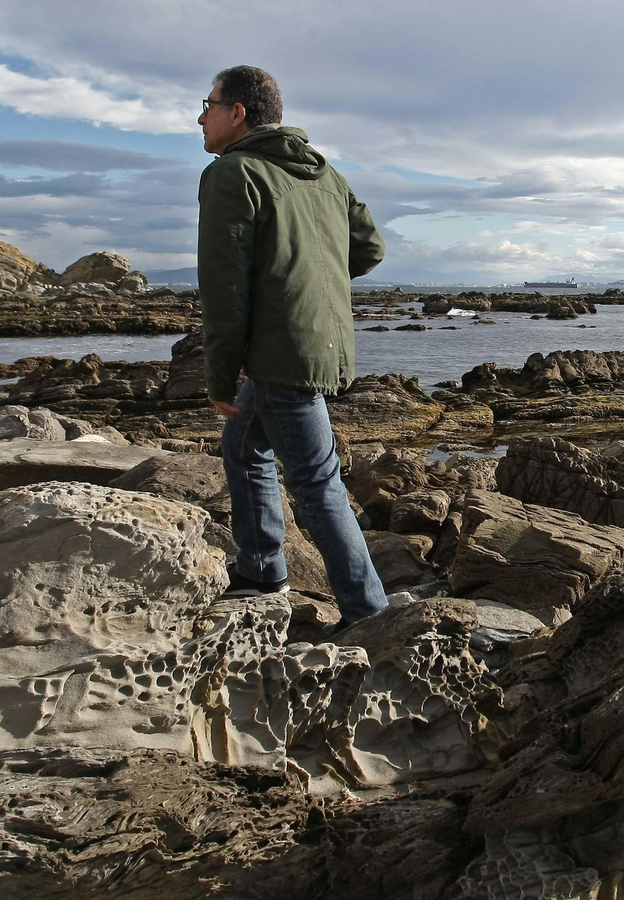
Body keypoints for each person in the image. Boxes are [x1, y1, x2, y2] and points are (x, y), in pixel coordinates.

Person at [196, 64, 388, 630]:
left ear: (238, 113)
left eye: (207, 104)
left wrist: (218, 374)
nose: (200, 117)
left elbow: (224, 287)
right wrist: (311, 280)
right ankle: (260, 567)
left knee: (317, 484)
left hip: (282, 354)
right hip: (320, 344)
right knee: (244, 444)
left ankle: (368, 615)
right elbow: (369, 247)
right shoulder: (322, 173)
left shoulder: (235, 173)